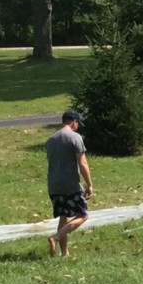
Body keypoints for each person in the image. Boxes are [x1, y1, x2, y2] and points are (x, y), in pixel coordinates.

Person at [46, 109, 93, 258]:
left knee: (63, 216)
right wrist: (89, 184)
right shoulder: (75, 137)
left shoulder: (51, 139)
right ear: (74, 122)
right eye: (78, 123)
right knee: (83, 215)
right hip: (70, 184)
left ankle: (64, 253)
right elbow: (82, 162)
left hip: (53, 185)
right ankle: (56, 237)